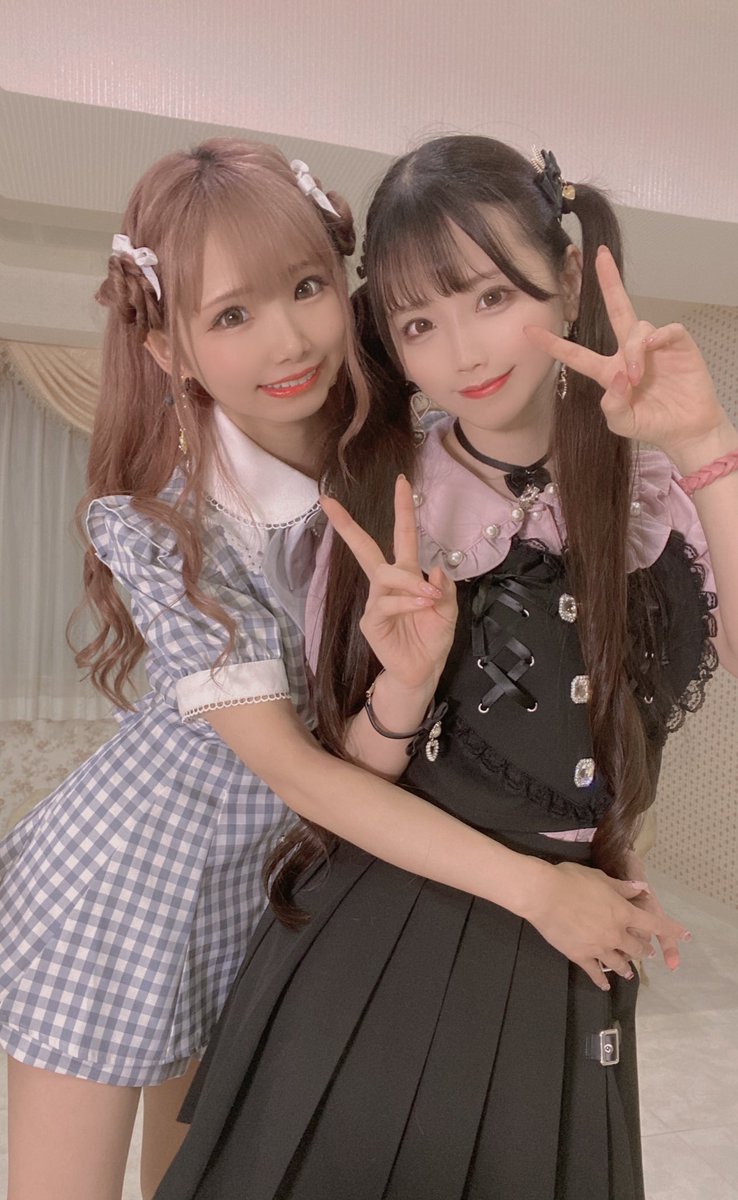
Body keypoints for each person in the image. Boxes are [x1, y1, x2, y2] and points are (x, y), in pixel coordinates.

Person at [0, 137, 675, 1200]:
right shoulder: (167, 527)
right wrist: (536, 889)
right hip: (131, 887)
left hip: (286, 892)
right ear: (170, 350)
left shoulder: (409, 455)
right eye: (231, 315)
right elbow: (299, 771)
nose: (288, 339)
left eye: (308, 288)